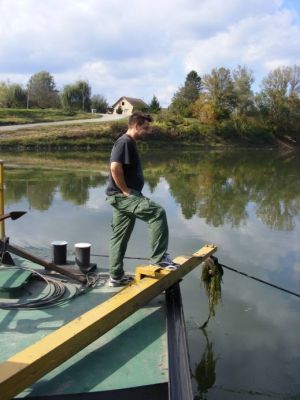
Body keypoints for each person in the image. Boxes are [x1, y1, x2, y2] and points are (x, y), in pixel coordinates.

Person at [105, 112, 179, 287]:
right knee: (157, 213)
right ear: (136, 126)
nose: (148, 131)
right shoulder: (124, 142)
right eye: (146, 128)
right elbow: (115, 167)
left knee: (119, 237)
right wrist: (125, 190)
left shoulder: (129, 142)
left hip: (120, 197)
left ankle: (115, 277)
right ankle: (159, 259)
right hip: (123, 197)